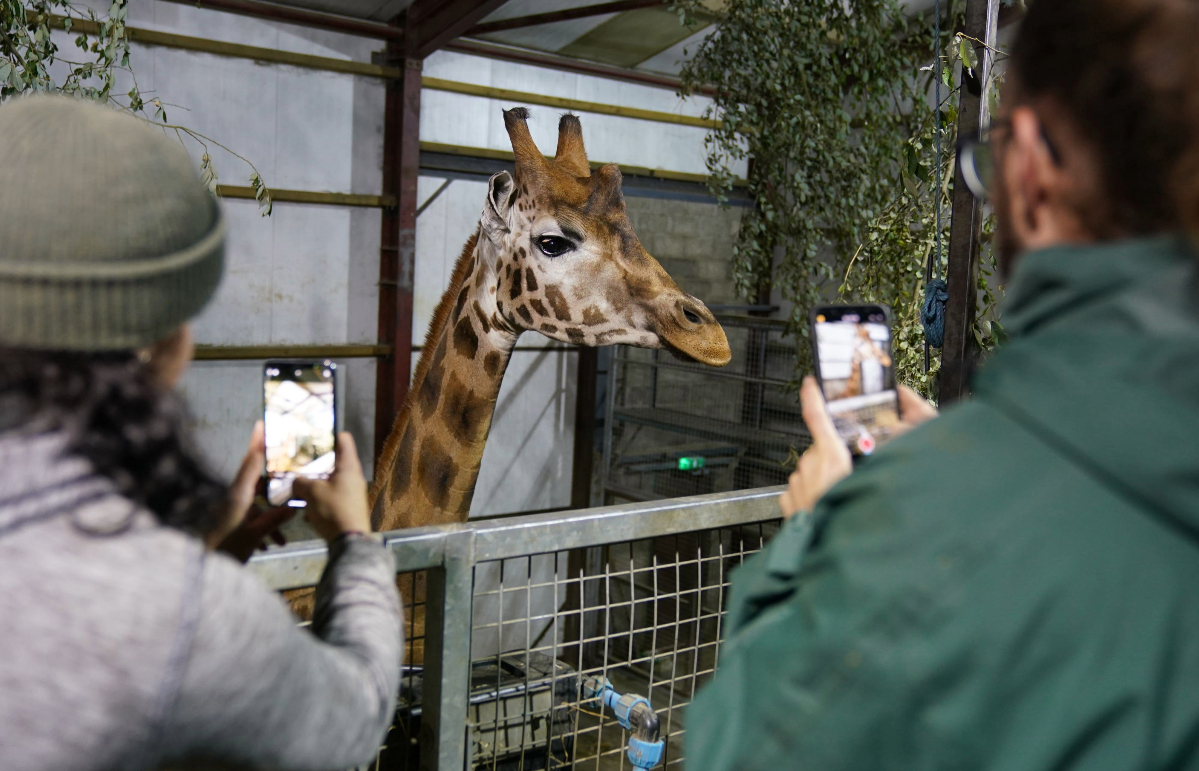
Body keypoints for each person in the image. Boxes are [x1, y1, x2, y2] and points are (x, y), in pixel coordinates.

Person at [688, 0, 1199, 768]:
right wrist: (988, 466)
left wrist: (823, 541)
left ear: (1026, 168)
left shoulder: (915, 549)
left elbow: (745, 749)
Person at [0, 96, 402, 771]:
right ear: (168, 342)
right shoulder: (176, 613)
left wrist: (208, 551)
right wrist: (356, 546)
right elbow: (353, 714)